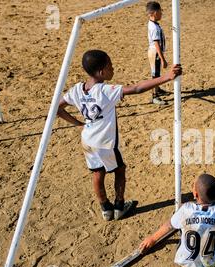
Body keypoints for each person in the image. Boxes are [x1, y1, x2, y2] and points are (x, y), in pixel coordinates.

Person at [56, 49, 182, 221]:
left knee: (97, 173)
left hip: (87, 140)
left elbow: (58, 108)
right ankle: (119, 206)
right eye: (110, 65)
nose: (113, 68)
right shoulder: (105, 90)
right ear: (101, 71)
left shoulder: (77, 90)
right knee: (120, 170)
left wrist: (78, 124)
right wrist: (167, 77)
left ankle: (105, 208)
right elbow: (137, 89)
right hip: (105, 143)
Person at [146, 1, 168, 105]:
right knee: (156, 75)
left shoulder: (153, 24)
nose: (161, 13)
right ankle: (155, 96)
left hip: (154, 52)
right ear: (155, 13)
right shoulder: (154, 27)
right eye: (160, 11)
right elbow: (156, 44)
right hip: (155, 53)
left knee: (156, 74)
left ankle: (157, 89)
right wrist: (162, 59)